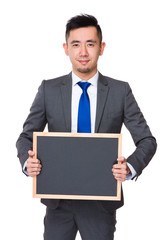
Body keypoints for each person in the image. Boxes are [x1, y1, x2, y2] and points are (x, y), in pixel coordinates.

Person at [16, 14, 157, 240]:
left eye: (90, 44)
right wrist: (27, 162)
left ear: (101, 48)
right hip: (58, 202)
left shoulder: (120, 92)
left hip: (101, 203)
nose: (83, 52)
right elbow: (25, 137)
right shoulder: (48, 89)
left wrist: (130, 167)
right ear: (66, 48)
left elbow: (147, 141)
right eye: (76, 44)